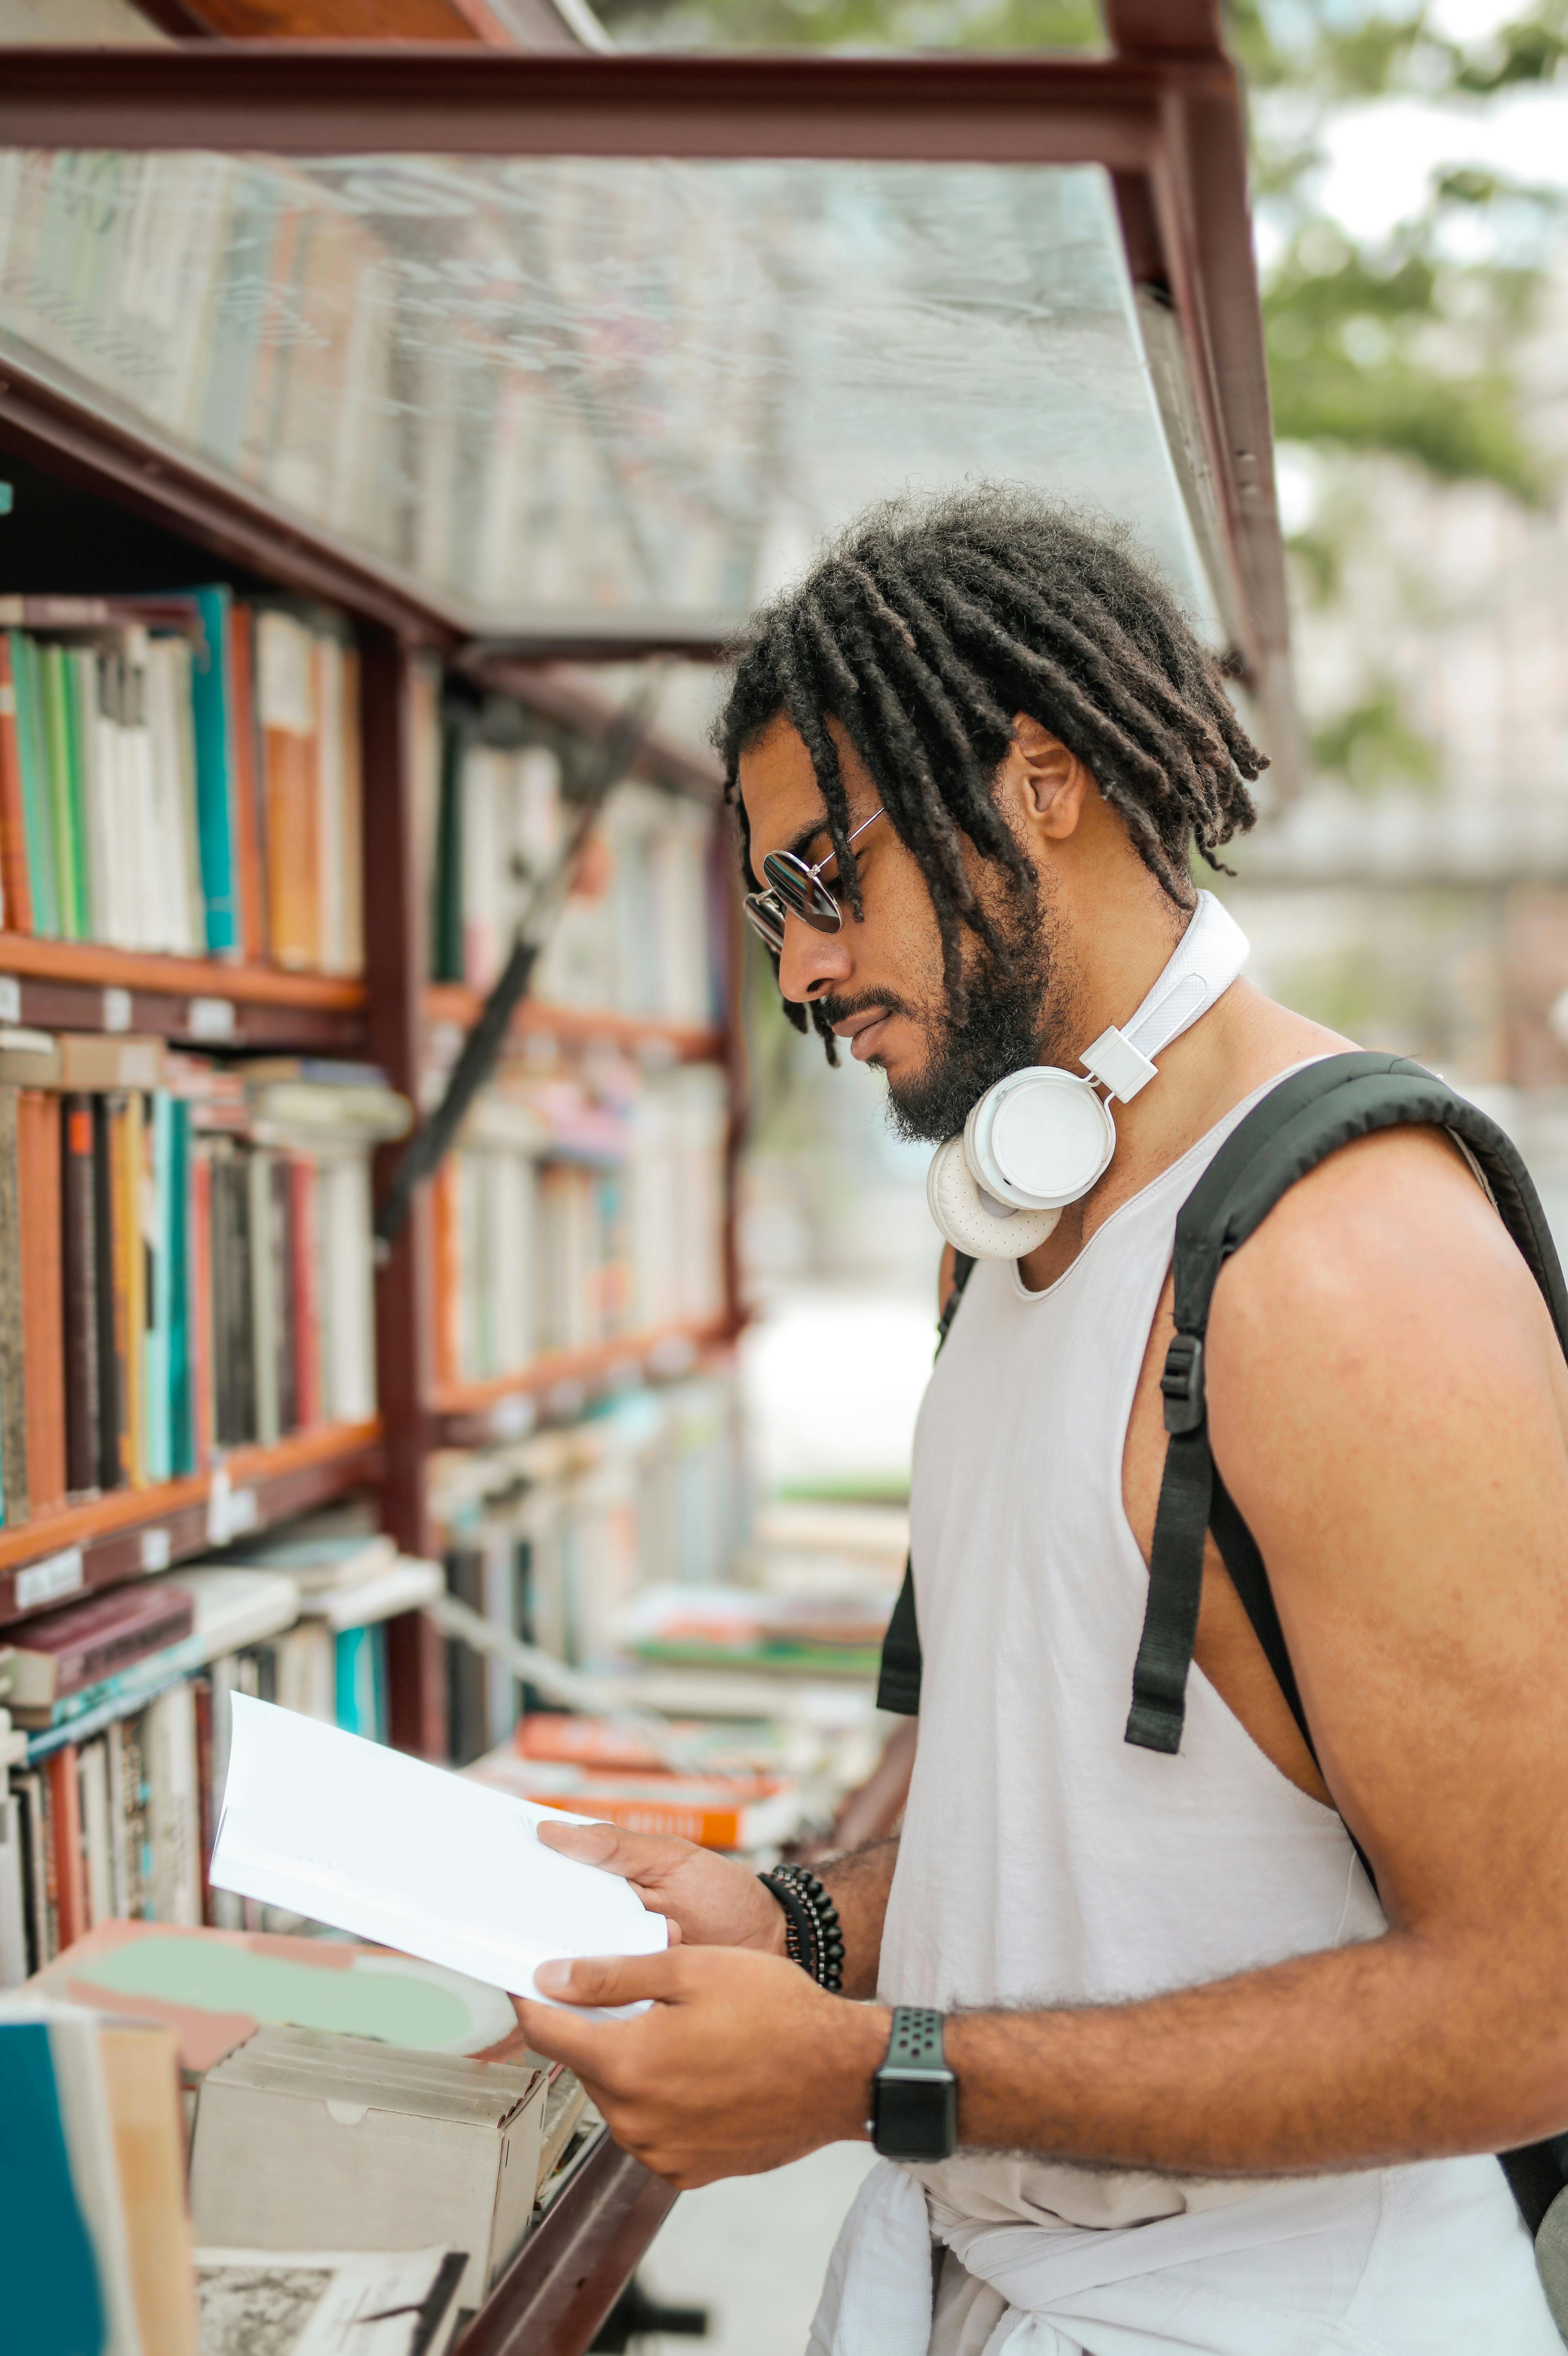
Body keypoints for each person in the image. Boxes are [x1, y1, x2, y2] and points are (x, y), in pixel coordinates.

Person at [515, 488, 1568, 2353]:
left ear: (1042, 781)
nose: (801, 972)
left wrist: (873, 2079)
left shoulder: (1344, 1262)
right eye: (773, 906)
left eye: (825, 878)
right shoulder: (1003, 1243)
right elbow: (1048, 1860)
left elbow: (1536, 2006)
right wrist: (792, 1931)